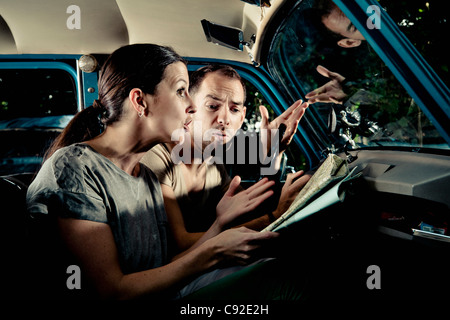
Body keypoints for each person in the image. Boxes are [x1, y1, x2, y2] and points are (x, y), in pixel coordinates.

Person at [26, 44, 284, 300]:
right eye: (181, 91)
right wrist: (213, 251)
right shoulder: (75, 169)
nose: (192, 107)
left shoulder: (144, 176)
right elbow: (112, 292)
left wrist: (219, 226)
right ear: (140, 101)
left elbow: (163, 266)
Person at [141, 64, 311, 252]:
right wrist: (276, 215)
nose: (224, 118)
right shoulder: (156, 158)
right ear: (187, 108)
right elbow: (182, 243)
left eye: (234, 110)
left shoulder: (213, 165)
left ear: (242, 117)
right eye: (212, 106)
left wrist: (274, 153)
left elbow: (253, 211)